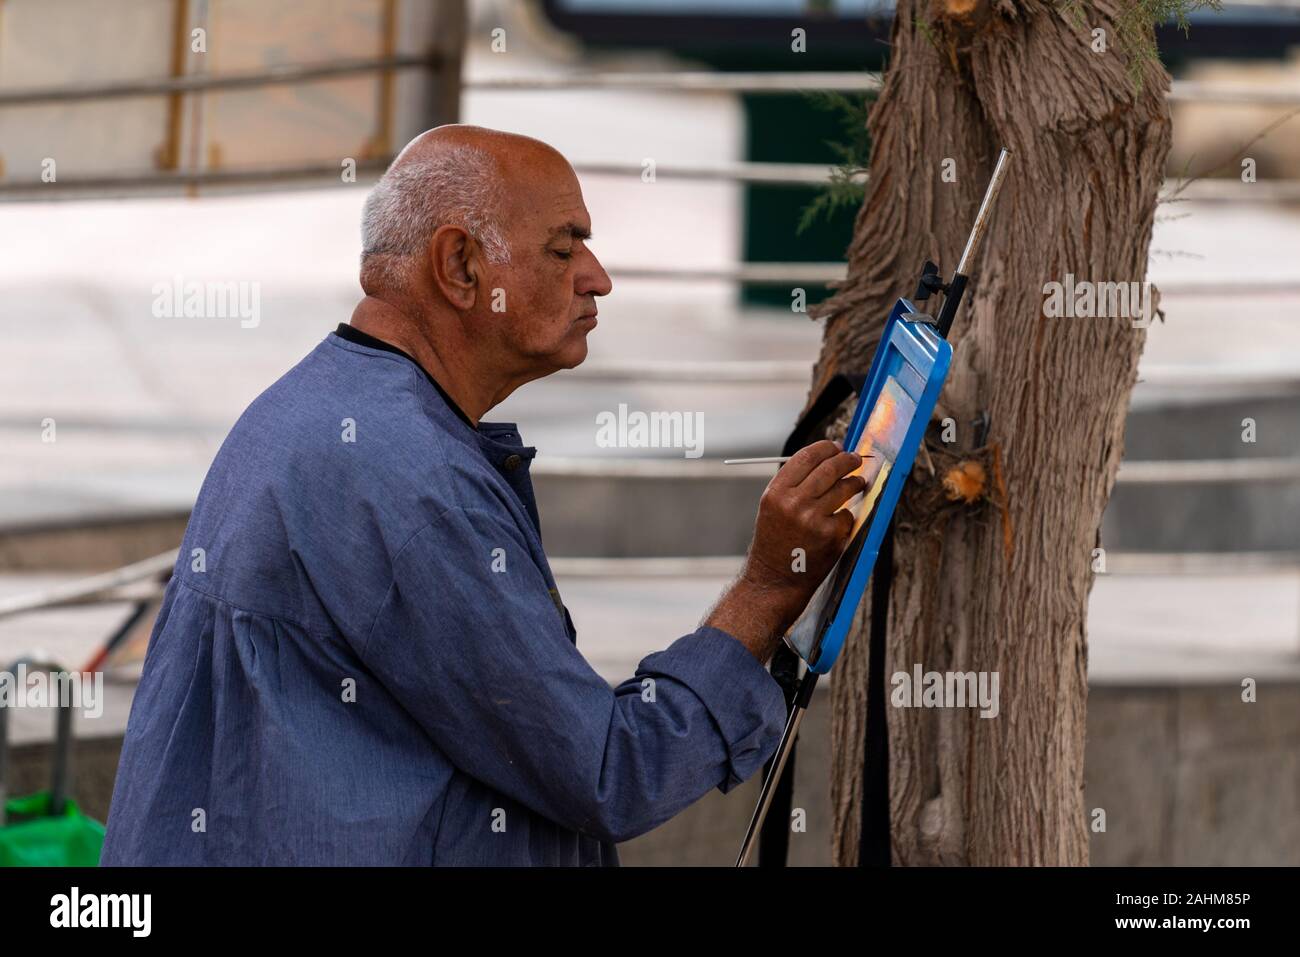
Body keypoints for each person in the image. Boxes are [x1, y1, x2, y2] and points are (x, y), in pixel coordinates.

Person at [100, 125, 864, 866]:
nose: (597, 276)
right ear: (460, 267)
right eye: (564, 249)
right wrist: (769, 586)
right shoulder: (410, 483)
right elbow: (611, 773)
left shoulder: (323, 404)